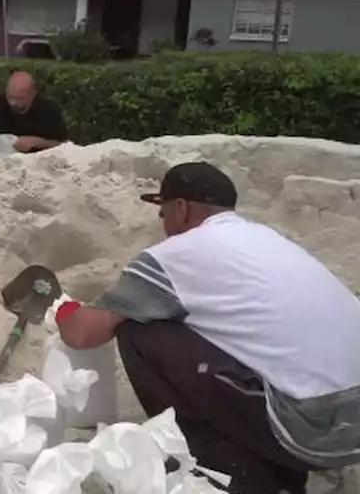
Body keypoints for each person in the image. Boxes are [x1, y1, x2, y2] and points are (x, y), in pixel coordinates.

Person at [56, 162, 360, 494]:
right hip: (352, 422)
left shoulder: (174, 254)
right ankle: (277, 469)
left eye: (163, 212)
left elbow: (82, 334)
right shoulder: (266, 238)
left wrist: (62, 308)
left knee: (139, 330)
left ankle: (228, 470)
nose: (163, 224)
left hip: (312, 433)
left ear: (182, 208)